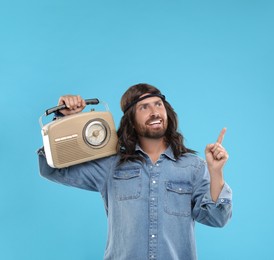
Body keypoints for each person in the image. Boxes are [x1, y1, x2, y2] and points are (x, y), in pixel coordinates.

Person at [37, 83, 232, 260]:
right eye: (144, 107)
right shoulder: (110, 165)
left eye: (158, 104)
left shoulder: (194, 167)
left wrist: (216, 172)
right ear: (131, 119)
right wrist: (65, 118)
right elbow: (53, 169)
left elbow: (217, 218)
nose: (154, 112)